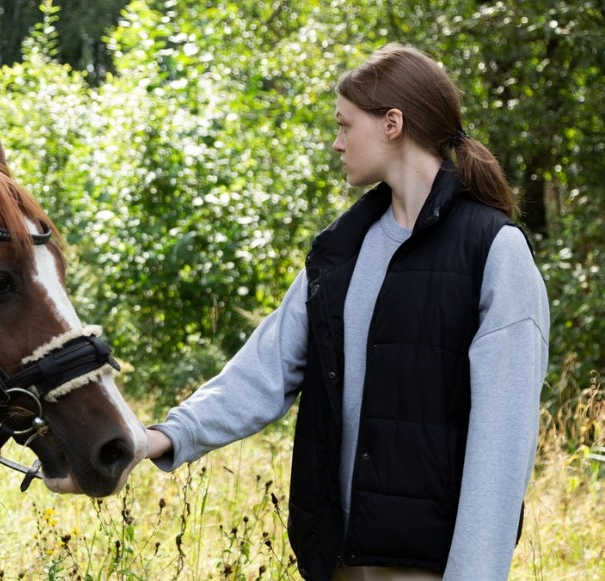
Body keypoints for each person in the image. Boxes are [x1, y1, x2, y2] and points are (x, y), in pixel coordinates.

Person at [142, 43, 550, 581]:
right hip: (335, 561)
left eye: (344, 125)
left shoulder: (493, 251)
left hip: (429, 568)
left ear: (392, 124)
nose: (336, 143)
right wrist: (162, 436)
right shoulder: (342, 249)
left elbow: (502, 448)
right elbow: (264, 369)